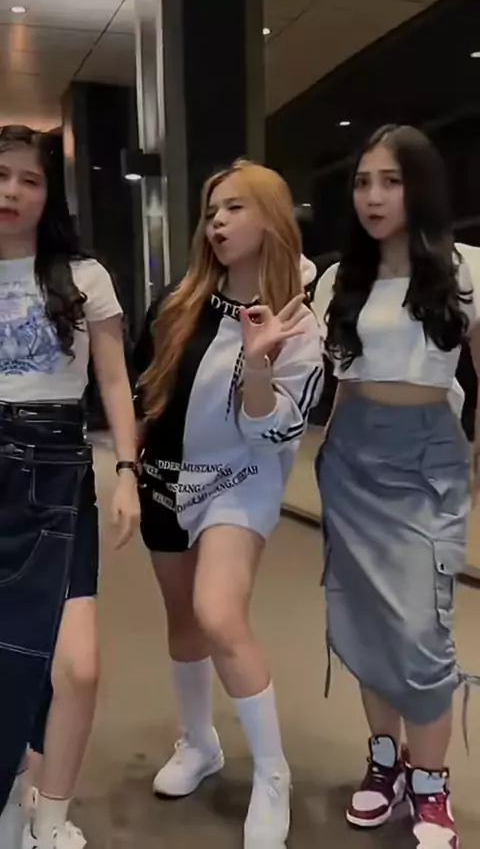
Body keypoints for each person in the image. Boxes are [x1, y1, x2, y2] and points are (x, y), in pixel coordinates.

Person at [133, 159, 323, 848]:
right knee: (183, 620)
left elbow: (273, 433)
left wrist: (260, 361)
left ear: (271, 218)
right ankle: (198, 742)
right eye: (212, 210)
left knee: (218, 613)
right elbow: (145, 395)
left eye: (235, 207)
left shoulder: (299, 323)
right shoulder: (177, 303)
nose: (217, 221)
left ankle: (273, 776)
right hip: (164, 479)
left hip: (238, 482)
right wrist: (126, 471)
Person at [312, 124, 480, 849]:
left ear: (421, 186)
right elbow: (335, 384)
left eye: (391, 181)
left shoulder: (466, 269)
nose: (373, 197)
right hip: (353, 459)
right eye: (362, 182)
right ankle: (386, 763)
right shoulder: (338, 280)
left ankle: (432, 784)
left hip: (428, 460)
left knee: (421, 630)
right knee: (367, 622)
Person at [0, 125, 140, 849]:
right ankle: (12, 796)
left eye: (29, 179)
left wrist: (128, 472)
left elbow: (114, 382)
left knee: (77, 667)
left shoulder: (84, 276)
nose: (12, 191)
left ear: (49, 193)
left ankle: (49, 814)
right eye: (2, 176)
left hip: (57, 469)